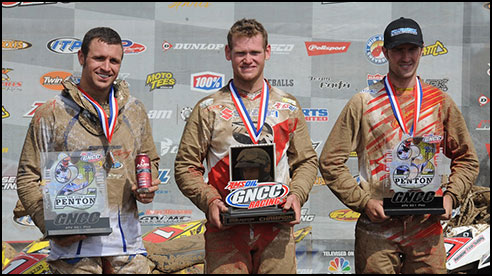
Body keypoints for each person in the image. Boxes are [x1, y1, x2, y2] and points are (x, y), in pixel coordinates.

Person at [318, 17, 480, 274]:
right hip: (378, 228)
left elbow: (467, 159)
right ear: (385, 53)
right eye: (398, 50)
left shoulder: (439, 101)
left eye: (412, 49)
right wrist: (363, 202)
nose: (406, 57)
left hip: (427, 227)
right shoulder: (364, 102)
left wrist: (451, 197)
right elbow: (329, 161)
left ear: (422, 50)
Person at [174, 18, 318, 274]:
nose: (248, 59)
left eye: (254, 52)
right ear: (228, 53)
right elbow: (186, 167)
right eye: (240, 53)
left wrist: (297, 195)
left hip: (277, 226)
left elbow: (306, 161)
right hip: (226, 228)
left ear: (267, 52)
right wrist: (210, 201)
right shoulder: (209, 108)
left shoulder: (288, 106)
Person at [15, 27, 160, 274]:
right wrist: (48, 225)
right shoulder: (52, 112)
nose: (107, 67)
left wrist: (145, 187)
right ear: (82, 57)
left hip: (126, 246)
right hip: (73, 249)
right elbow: (27, 177)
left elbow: (149, 160)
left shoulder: (134, 110)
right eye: (99, 58)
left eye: (114, 60)